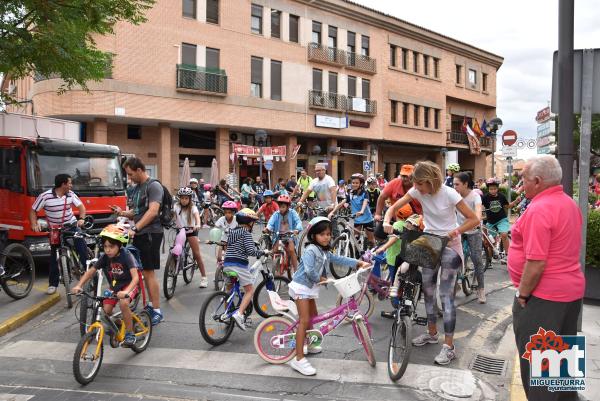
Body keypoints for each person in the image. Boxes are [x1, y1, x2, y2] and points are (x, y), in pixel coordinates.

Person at [383, 161, 479, 365]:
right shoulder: (418, 192)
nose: (415, 187)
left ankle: (449, 347)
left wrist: (456, 231)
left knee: (445, 295)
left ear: (430, 181)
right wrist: (386, 221)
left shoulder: (450, 194)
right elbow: (392, 208)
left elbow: (474, 219)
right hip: (429, 242)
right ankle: (432, 333)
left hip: (450, 245)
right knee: (427, 291)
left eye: (419, 183)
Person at [509, 156, 585, 401]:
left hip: (544, 298)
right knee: (560, 367)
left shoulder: (540, 209)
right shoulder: (568, 203)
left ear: (538, 181)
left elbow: (536, 262)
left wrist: (523, 294)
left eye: (524, 180)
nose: (522, 185)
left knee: (539, 372)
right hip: (569, 293)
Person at [288, 216, 370, 376]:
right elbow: (309, 271)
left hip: (310, 288)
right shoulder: (311, 250)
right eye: (322, 234)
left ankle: (310, 344)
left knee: (313, 316)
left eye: (328, 234)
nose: (327, 237)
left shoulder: (323, 251)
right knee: (304, 321)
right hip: (302, 287)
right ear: (313, 236)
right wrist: (322, 279)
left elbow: (338, 258)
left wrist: (357, 262)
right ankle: (298, 359)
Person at [114, 157, 164, 325]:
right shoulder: (136, 189)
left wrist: (136, 228)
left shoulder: (153, 186)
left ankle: (156, 310)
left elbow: (153, 211)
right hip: (139, 234)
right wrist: (122, 213)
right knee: (140, 271)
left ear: (139, 170)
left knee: (149, 272)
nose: (129, 178)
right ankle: (150, 304)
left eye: (130, 174)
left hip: (150, 233)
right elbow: (137, 212)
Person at [72, 225, 139, 347]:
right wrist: (79, 285)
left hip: (129, 286)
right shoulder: (105, 257)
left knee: (123, 303)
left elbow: (136, 278)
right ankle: (120, 323)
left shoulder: (126, 255)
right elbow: (91, 271)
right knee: (105, 312)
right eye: (105, 246)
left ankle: (130, 334)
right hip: (115, 287)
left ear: (119, 245)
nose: (108, 250)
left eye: (111, 247)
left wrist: (127, 292)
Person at [30, 174, 88, 295]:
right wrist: (34, 223)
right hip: (54, 230)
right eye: (70, 183)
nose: (71, 185)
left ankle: (88, 273)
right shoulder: (45, 196)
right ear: (63, 184)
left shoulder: (71, 194)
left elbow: (81, 207)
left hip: (71, 225)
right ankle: (53, 284)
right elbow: (33, 210)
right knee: (53, 256)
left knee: (81, 246)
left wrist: (81, 219)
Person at [223, 209, 269, 331]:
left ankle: (227, 315)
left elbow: (233, 244)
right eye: (253, 222)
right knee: (249, 290)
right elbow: (251, 252)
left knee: (229, 291)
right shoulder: (246, 233)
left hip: (227, 263)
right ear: (249, 222)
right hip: (239, 265)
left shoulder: (232, 231)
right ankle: (239, 314)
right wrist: (263, 251)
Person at [453, 172, 486, 303]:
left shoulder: (475, 196)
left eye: (457, 184)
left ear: (466, 184)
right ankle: (455, 284)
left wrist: (477, 219)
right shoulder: (454, 196)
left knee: (477, 259)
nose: (454, 187)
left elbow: (478, 213)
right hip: (459, 231)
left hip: (474, 231)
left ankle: (481, 289)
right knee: (454, 259)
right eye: (453, 184)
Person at [374, 165, 422, 239]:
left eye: (408, 176)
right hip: (397, 217)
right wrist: (378, 214)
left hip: (415, 221)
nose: (405, 178)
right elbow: (382, 197)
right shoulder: (394, 183)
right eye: (403, 176)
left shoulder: (418, 187)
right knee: (378, 233)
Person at [174, 187, 208, 288]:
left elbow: (197, 217)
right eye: (182, 198)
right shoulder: (176, 206)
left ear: (189, 199)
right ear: (179, 198)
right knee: (174, 251)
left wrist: (197, 224)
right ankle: (172, 268)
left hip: (191, 231)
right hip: (180, 231)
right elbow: (172, 215)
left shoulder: (193, 207)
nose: (184, 200)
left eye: (186, 198)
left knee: (197, 254)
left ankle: (204, 278)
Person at [330, 173, 375, 245]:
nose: (354, 184)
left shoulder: (365, 193)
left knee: (371, 240)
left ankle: (373, 254)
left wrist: (362, 211)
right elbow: (341, 203)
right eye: (353, 183)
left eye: (357, 183)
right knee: (356, 239)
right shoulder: (350, 193)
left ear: (361, 184)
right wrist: (332, 212)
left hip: (367, 219)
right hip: (357, 219)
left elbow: (365, 202)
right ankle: (357, 254)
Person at [265, 194, 303, 270]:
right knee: (275, 251)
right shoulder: (276, 214)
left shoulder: (292, 213)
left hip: (290, 235)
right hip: (279, 236)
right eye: (280, 207)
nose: (281, 209)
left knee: (292, 250)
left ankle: (296, 270)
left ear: (288, 207)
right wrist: (267, 228)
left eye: (283, 207)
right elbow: (270, 223)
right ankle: (277, 268)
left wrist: (297, 230)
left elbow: (298, 222)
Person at [481, 178, 510, 259]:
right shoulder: (485, 197)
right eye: (491, 189)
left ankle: (508, 255)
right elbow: (480, 207)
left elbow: (507, 206)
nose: (493, 190)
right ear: (488, 189)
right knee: (491, 242)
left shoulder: (501, 196)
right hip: (490, 222)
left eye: (494, 189)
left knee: (504, 234)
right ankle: (489, 260)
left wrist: (515, 202)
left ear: (497, 188)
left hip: (502, 219)